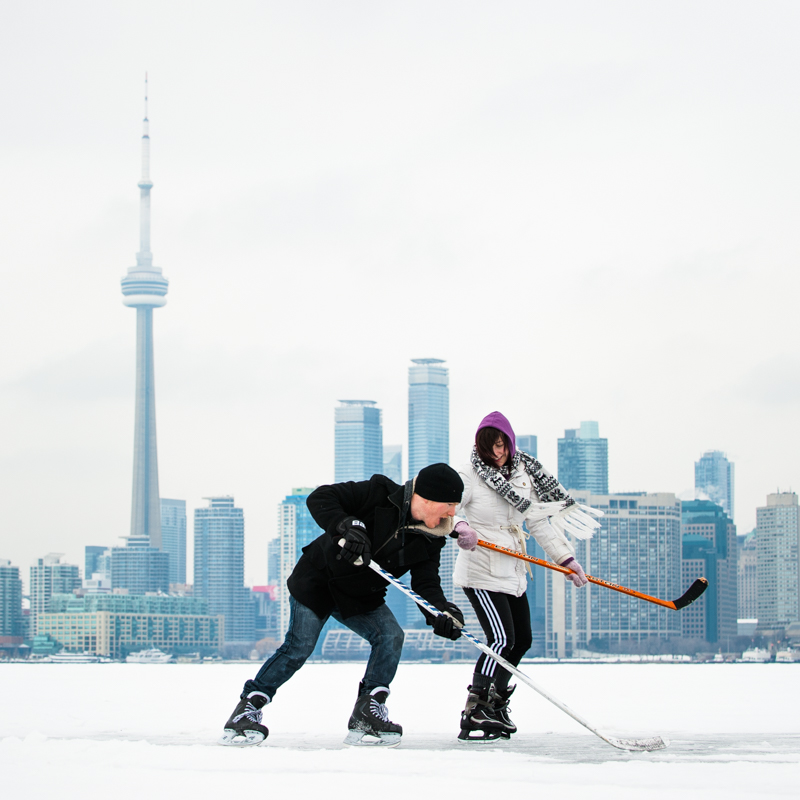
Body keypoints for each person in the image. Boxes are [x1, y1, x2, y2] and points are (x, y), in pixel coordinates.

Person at [220, 463, 466, 748]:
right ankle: (247, 709)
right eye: (449, 505)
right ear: (425, 498)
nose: (452, 514)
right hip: (318, 581)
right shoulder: (378, 492)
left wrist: (441, 612)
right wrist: (348, 527)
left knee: (390, 636)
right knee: (299, 646)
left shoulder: (432, 539)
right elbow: (321, 498)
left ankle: (367, 713)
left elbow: (426, 585)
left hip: (360, 594)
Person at [452, 411, 600, 742]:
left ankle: (496, 703)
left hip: (513, 569)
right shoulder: (469, 475)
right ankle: (476, 708)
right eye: (490, 448)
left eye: (502, 446)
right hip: (481, 569)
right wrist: (461, 527)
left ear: (510, 443)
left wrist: (567, 559)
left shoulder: (525, 475)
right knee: (502, 640)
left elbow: (538, 522)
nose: (497, 453)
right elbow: (448, 510)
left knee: (523, 640)